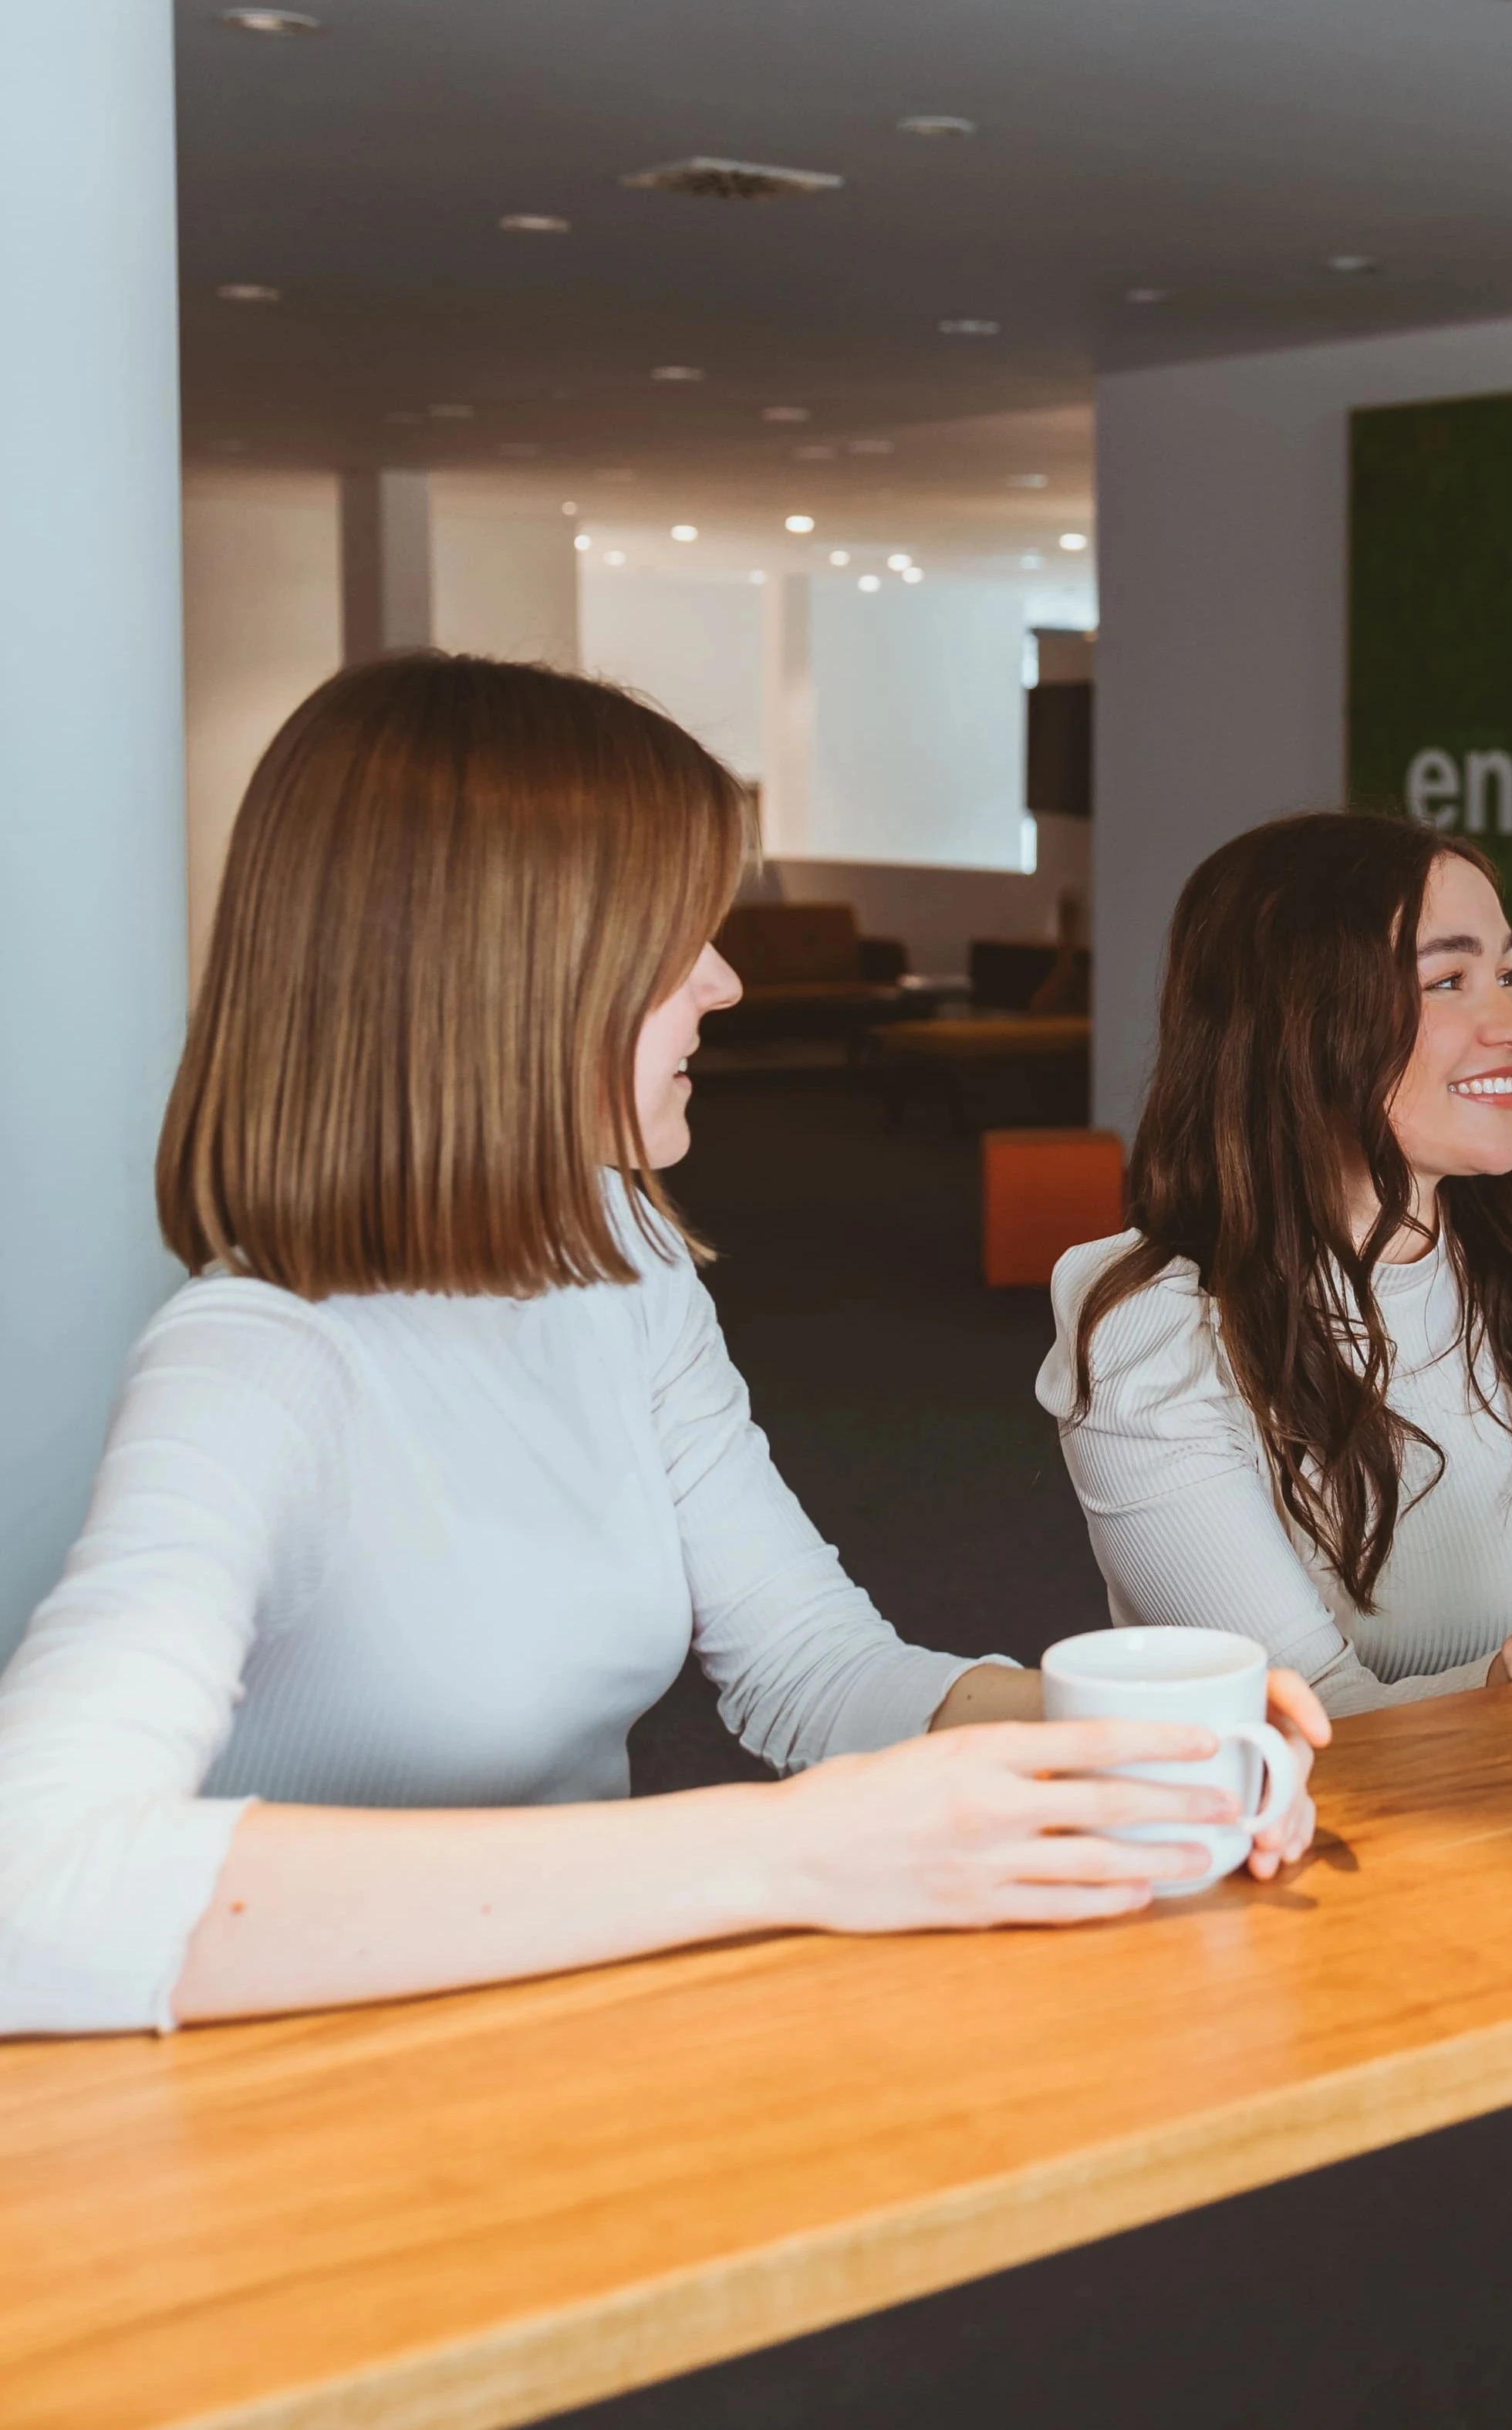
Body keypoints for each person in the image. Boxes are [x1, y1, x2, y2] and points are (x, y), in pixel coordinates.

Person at [0, 655, 1323, 2036]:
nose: (724, 979)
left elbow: (811, 1663)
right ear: (496, 967)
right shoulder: (251, 1360)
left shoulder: (617, 1250)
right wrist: (791, 1851)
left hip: (553, 2031)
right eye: (671, 932)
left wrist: (1110, 1731)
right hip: (301, 2083)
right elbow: (30, 1885)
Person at [1045, 812, 1512, 1713]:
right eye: (1447, 980)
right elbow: (1309, 1716)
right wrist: (1504, 1683)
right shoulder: (1158, 1337)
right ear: (1295, 1023)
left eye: (1505, 975)